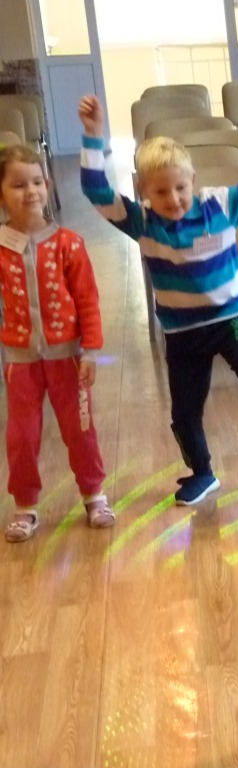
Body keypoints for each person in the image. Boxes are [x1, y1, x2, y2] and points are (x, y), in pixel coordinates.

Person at [78, 95, 238, 506]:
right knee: (184, 412)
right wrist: (93, 135)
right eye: (160, 191)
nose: (173, 198)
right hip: (182, 331)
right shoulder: (141, 220)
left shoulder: (220, 205)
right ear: (143, 192)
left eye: (180, 188)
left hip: (231, 317)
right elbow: (95, 190)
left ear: (193, 180)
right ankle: (203, 472)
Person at [0, 144, 115, 542]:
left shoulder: (69, 243)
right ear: (2, 194)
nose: (30, 191)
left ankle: (94, 495)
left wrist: (91, 350)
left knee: (80, 430)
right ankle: (25, 506)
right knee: (21, 436)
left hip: (68, 358)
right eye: (18, 185)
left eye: (36, 182)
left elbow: (88, 300)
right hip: (20, 361)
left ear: (47, 186)